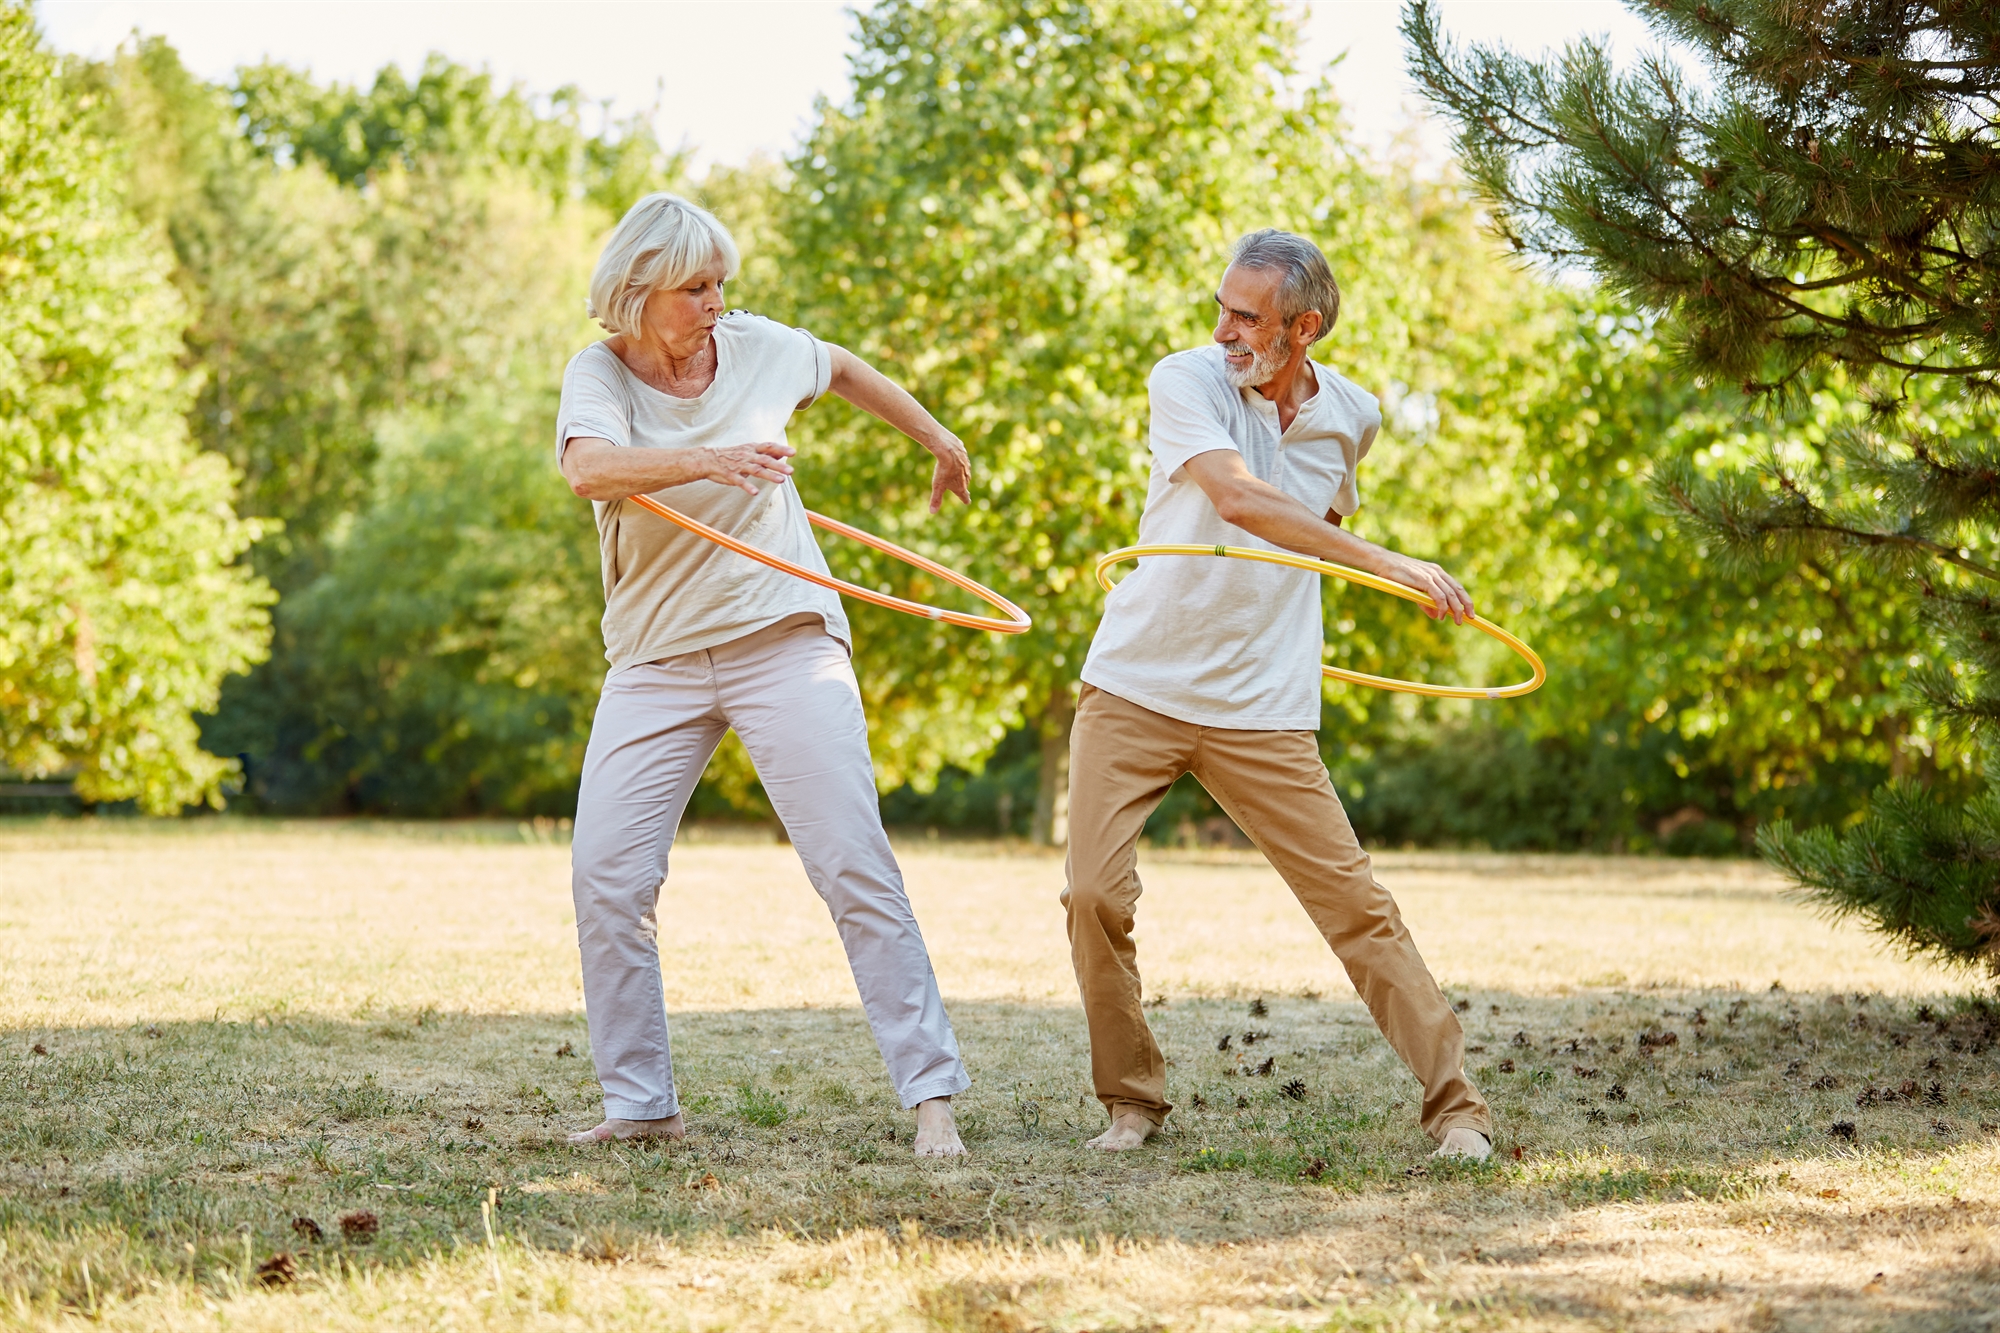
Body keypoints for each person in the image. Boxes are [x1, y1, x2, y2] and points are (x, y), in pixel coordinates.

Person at [554, 193, 971, 1155]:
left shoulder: (756, 346)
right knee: (607, 877)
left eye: (720, 284)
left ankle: (932, 1096)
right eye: (694, 288)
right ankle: (640, 1105)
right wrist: (714, 457)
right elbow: (588, 470)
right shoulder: (599, 373)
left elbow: (845, 368)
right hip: (655, 656)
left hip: (781, 634)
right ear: (636, 291)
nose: (715, 303)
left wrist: (937, 439)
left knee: (850, 859)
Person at [1064, 229, 1494, 1159]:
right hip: (1139, 677)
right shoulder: (1185, 379)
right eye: (1221, 307)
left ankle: (1458, 1109)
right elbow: (1245, 503)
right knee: (1093, 891)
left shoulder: (1354, 414)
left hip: (1262, 699)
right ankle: (1130, 1100)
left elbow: (1315, 525)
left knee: (1356, 907)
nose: (1223, 329)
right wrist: (1392, 563)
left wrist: (1379, 572)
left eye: (1245, 316)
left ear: (1304, 328)